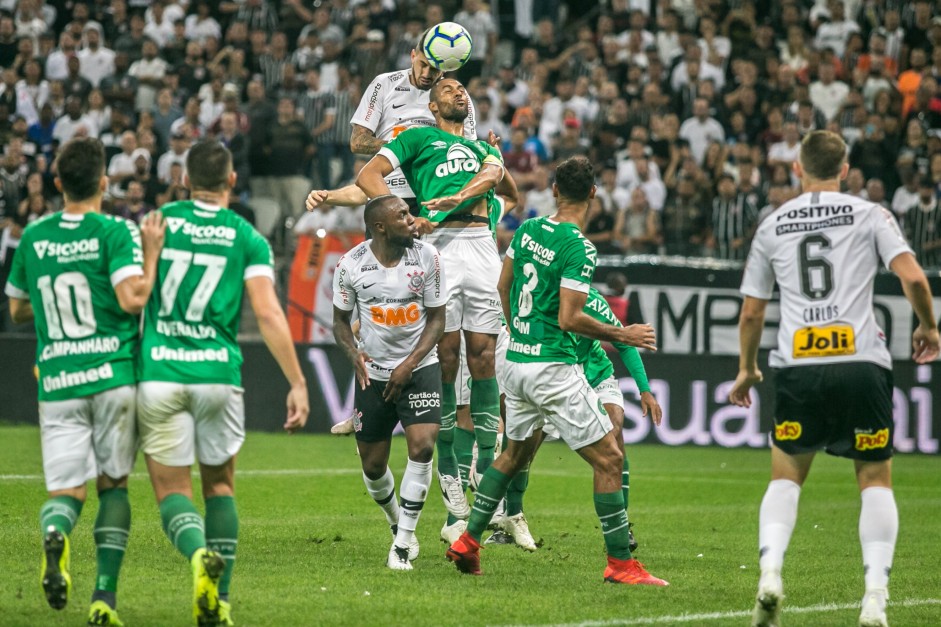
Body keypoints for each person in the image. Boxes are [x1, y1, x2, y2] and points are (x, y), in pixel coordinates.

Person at [729, 131, 940, 627]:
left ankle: (770, 573)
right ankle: (874, 599)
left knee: (785, 478)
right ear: (845, 170)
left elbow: (752, 314)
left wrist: (746, 367)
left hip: (798, 366)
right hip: (861, 362)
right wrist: (929, 326)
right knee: (874, 480)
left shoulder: (773, 224)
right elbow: (913, 277)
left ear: (797, 169)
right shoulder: (871, 214)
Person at [445, 156, 668, 586]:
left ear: (553, 190)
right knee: (610, 459)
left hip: (517, 362)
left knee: (512, 456)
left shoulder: (528, 229)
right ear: (593, 195)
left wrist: (518, 331)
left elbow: (503, 287)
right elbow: (570, 318)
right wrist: (622, 334)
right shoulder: (578, 247)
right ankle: (621, 565)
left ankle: (468, 543)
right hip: (551, 368)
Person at [309, 78, 513, 541]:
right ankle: (450, 481)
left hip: (480, 243)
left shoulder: (482, 147)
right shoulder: (417, 137)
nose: (460, 92)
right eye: (449, 88)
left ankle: (484, 460)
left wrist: (448, 204)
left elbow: (494, 178)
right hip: (439, 246)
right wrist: (401, 208)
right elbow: (367, 179)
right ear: (432, 103)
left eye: (464, 88)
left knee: (484, 357)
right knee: (444, 359)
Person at [136, 140, 310, 626]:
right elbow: (269, 312)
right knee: (220, 487)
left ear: (184, 180)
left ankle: (197, 557)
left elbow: (131, 296)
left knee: (172, 490)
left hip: (160, 373)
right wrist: (296, 381)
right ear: (232, 181)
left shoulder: (155, 223)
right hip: (219, 375)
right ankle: (221, 600)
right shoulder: (245, 236)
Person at [4, 137, 164, 626]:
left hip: (57, 381)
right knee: (113, 486)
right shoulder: (115, 230)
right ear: (103, 182)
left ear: (56, 183)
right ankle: (103, 598)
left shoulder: (33, 236)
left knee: (66, 492)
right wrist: (152, 252)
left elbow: (16, 310)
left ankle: (56, 532)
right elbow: (133, 299)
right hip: (112, 375)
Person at [333, 194, 447, 570]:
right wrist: (355, 356)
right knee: (373, 466)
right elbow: (339, 323)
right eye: (402, 215)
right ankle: (396, 520)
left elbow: (436, 319)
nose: (411, 219)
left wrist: (410, 364)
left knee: (423, 446)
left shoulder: (428, 258)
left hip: (420, 367)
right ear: (379, 226)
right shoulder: (351, 264)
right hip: (374, 374)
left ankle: (402, 544)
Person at [348, 27, 477, 216]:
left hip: (435, 194)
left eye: (433, 69)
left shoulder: (456, 95)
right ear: (412, 55)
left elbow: (468, 148)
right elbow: (357, 142)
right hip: (388, 190)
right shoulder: (384, 84)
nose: (426, 73)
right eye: (422, 64)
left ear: (444, 67)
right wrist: (407, 147)